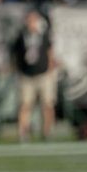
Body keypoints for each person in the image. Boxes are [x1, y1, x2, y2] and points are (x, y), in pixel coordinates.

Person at [12, 9, 58, 141]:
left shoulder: (44, 35)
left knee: (47, 104)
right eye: (29, 20)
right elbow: (16, 54)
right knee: (25, 104)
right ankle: (23, 132)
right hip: (27, 75)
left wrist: (50, 69)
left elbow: (50, 52)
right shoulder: (21, 35)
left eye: (33, 20)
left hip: (44, 74)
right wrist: (17, 69)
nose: (31, 23)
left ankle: (47, 132)